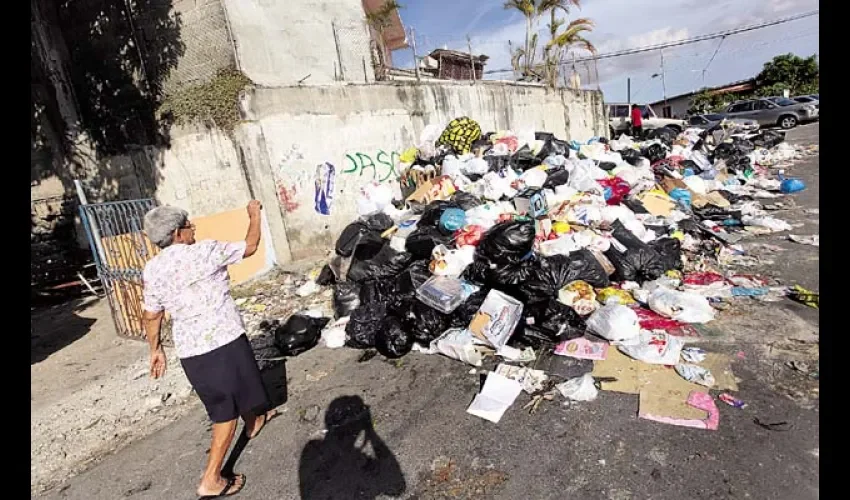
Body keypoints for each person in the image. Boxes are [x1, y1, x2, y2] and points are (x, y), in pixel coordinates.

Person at [141, 200, 277, 499]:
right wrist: (254, 215)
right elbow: (250, 246)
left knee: (233, 390)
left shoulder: (152, 270)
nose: (193, 229)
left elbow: (152, 314)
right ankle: (211, 478)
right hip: (223, 340)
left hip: (191, 350)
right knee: (224, 412)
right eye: (188, 226)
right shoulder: (205, 251)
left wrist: (155, 349)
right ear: (177, 233)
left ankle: (254, 421)